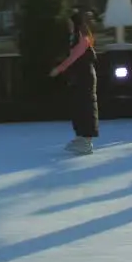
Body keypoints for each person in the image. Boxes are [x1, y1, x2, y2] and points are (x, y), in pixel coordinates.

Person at [50, 9, 99, 154]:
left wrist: (59, 69)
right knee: (77, 106)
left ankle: (87, 139)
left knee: (86, 106)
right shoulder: (74, 37)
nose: (69, 26)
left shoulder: (84, 38)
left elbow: (73, 58)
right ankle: (80, 136)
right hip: (77, 76)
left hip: (85, 76)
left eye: (71, 23)